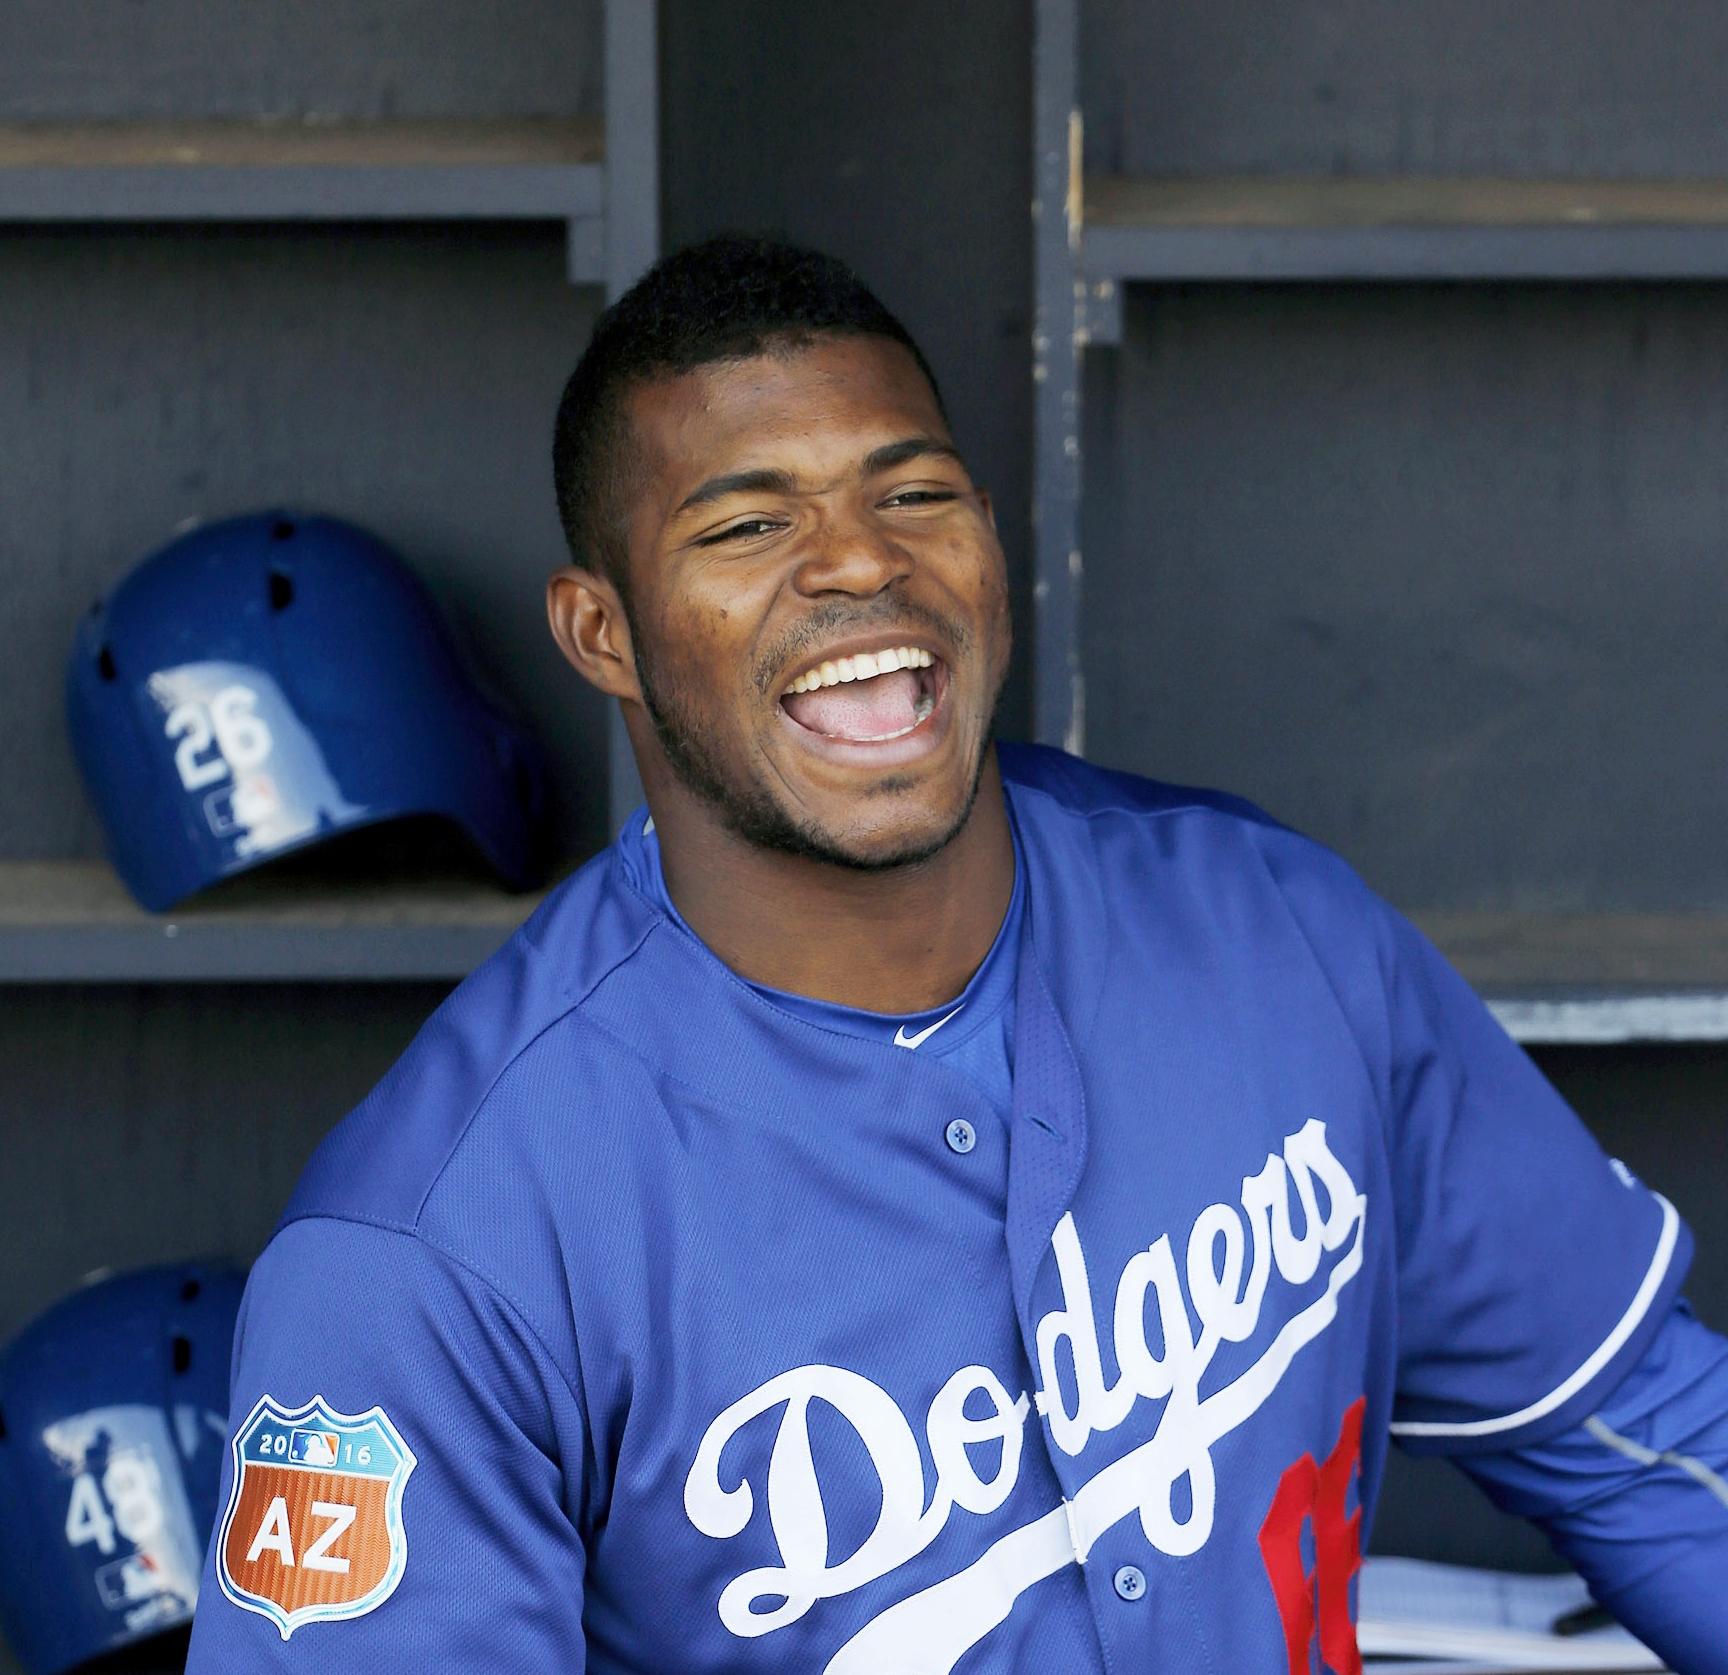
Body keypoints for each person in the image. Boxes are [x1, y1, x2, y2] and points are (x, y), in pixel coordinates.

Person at [184, 236, 1728, 1674]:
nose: (858, 564)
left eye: (913, 495)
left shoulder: (1272, 929)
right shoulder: (429, 1256)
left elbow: (1644, 1434)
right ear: (603, 633)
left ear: (988, 541)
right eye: (746, 523)